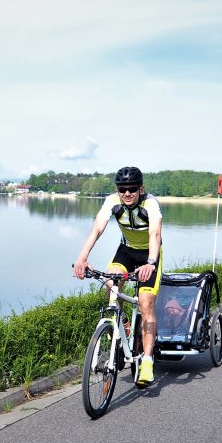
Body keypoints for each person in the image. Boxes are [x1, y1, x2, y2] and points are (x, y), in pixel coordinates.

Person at [73, 166, 163, 388]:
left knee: (145, 303)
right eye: (122, 189)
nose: (127, 194)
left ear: (141, 189)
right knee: (112, 284)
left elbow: (155, 234)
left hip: (150, 255)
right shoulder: (113, 201)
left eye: (132, 189)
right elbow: (97, 229)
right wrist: (82, 258)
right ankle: (122, 325)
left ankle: (148, 361)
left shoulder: (150, 204)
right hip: (126, 251)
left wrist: (150, 263)